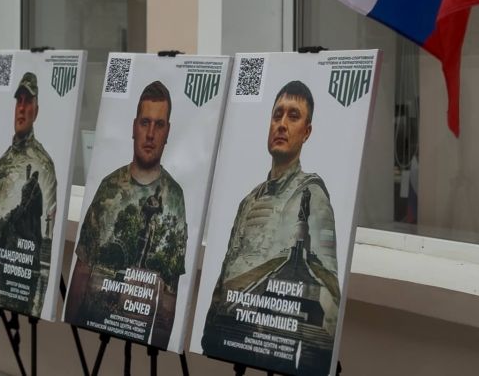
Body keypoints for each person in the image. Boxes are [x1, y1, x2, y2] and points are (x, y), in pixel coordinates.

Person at [200, 80, 339, 374]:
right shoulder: (249, 200)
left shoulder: (312, 195)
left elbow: (327, 289)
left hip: (277, 345)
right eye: (277, 115)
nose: (282, 124)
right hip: (232, 337)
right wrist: (211, 332)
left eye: (293, 116)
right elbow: (227, 270)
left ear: (307, 132)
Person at [64, 81, 186, 348]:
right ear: (134, 127)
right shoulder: (109, 187)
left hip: (138, 333)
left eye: (159, 125)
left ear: (167, 132)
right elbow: (82, 269)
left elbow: (169, 294)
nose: (150, 134)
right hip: (92, 328)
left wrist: (158, 350)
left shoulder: (175, 198)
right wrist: (70, 337)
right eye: (145, 122)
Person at [0, 72, 57, 316]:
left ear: (36, 111)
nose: (21, 108)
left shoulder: (43, 165)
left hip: (21, 275)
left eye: (28, 102)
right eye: (19, 101)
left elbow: (45, 233)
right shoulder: (2, 162)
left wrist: (37, 308)